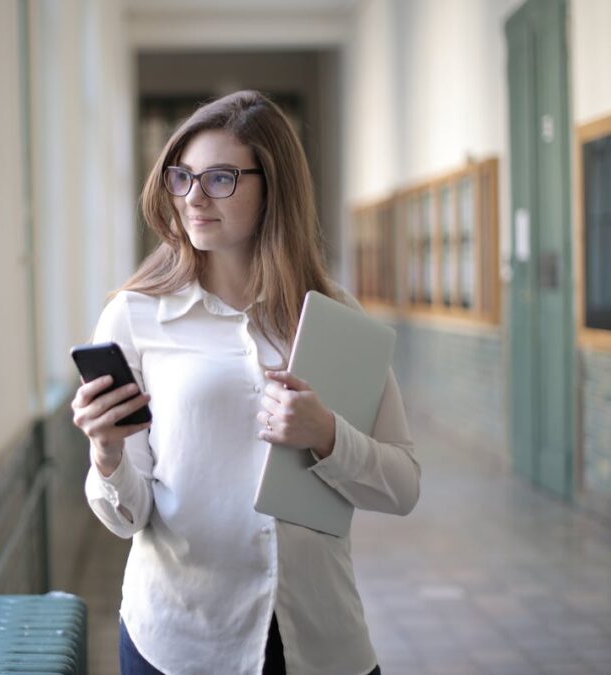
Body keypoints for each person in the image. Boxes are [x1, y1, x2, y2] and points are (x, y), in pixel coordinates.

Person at [71, 90, 420, 675]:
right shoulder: (135, 317)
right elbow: (129, 518)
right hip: (182, 642)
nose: (193, 197)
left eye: (221, 178)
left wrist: (327, 434)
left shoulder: (334, 315)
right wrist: (105, 454)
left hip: (320, 638)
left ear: (273, 187)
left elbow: (403, 487)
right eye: (182, 178)